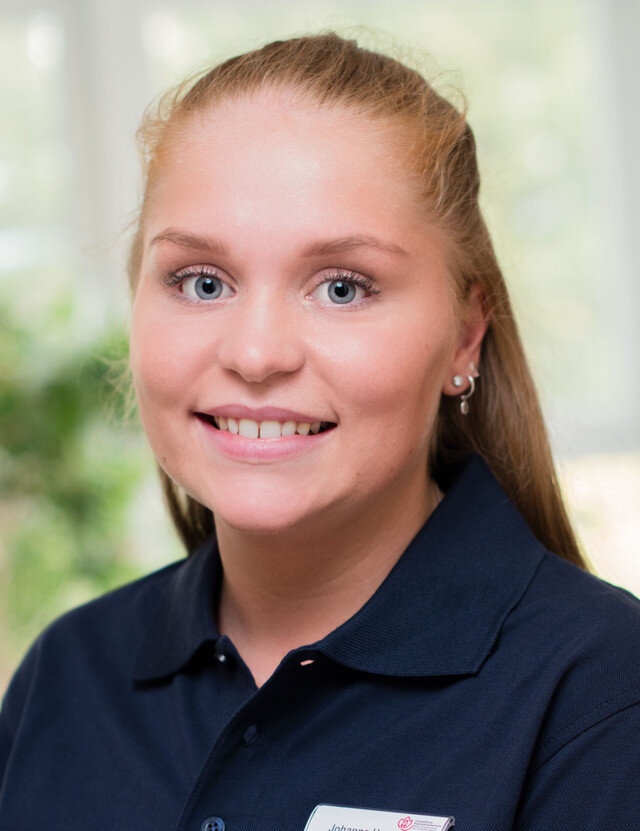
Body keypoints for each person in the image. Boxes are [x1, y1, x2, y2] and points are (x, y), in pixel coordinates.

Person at [1, 31, 639, 831]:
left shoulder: (600, 693)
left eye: (343, 287)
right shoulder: (66, 677)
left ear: (465, 335)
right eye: (202, 282)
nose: (256, 353)